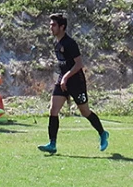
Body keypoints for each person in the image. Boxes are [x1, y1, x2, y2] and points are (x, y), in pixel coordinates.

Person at [40, 13, 109, 154]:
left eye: (53, 25)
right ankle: (52, 144)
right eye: (50, 25)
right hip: (62, 80)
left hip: (76, 82)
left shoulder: (70, 43)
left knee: (85, 112)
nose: (51, 27)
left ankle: (102, 133)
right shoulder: (57, 44)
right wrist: (61, 78)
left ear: (62, 27)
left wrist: (66, 77)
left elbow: (78, 64)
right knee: (53, 110)